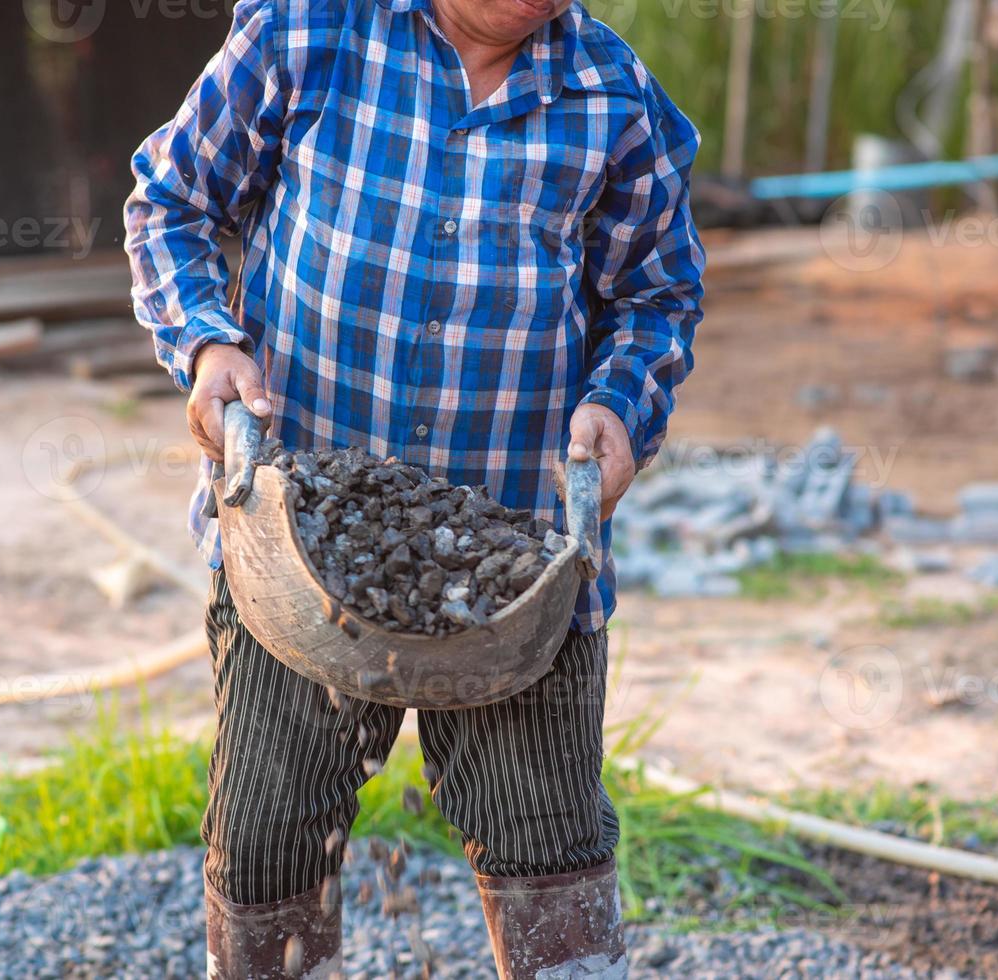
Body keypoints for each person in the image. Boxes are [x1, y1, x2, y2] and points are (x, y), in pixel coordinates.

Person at [125, 0, 704, 974]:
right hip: (298, 548)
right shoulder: (311, 31)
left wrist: (621, 405)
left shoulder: (612, 98)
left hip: (511, 566)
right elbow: (170, 201)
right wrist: (206, 341)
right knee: (268, 844)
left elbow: (655, 298)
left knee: (547, 849)